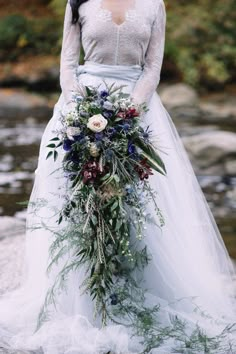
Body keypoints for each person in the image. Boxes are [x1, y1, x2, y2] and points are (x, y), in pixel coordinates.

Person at [0, 0, 236, 353]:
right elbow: (68, 62)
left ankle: (131, 291)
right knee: (81, 204)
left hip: (137, 113)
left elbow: (153, 67)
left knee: (135, 204)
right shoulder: (78, 1)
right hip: (81, 109)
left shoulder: (154, 4)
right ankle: (85, 295)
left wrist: (128, 112)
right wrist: (83, 109)